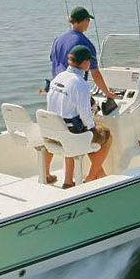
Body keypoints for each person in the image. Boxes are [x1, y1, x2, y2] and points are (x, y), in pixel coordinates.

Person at [46, 45, 112, 188]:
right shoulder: (80, 84)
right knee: (105, 135)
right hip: (70, 134)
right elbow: (85, 115)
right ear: (84, 63)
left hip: (53, 131)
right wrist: (92, 128)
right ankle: (91, 177)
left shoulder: (59, 77)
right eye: (90, 61)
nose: (91, 64)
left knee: (73, 129)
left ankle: (69, 182)